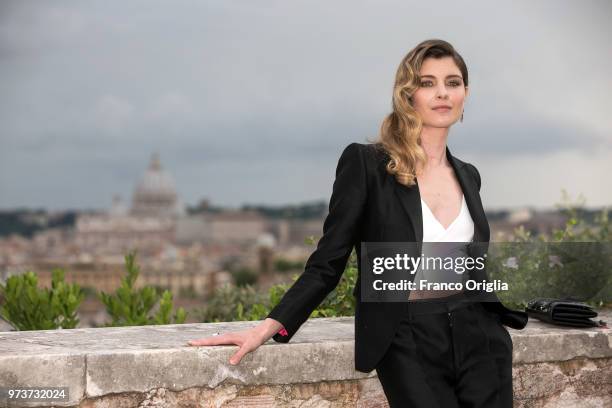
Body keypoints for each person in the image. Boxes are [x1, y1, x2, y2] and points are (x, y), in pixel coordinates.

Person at [187, 38, 528, 407]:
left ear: (465, 93)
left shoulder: (469, 175)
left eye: (453, 82)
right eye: (427, 83)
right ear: (407, 94)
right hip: (408, 336)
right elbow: (328, 262)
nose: (442, 93)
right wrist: (269, 326)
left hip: (478, 334)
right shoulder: (366, 164)